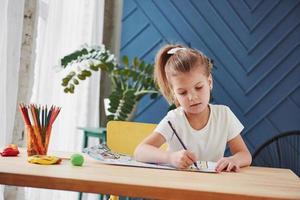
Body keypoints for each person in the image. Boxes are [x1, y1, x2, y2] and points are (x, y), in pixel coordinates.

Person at [134, 44, 252, 172]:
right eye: (182, 92)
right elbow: (140, 151)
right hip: (179, 187)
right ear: (174, 94)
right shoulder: (174, 119)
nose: (192, 97)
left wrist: (233, 160)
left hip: (212, 187)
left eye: (199, 87)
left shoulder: (224, 115)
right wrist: (171, 157)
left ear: (209, 82)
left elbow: (245, 155)